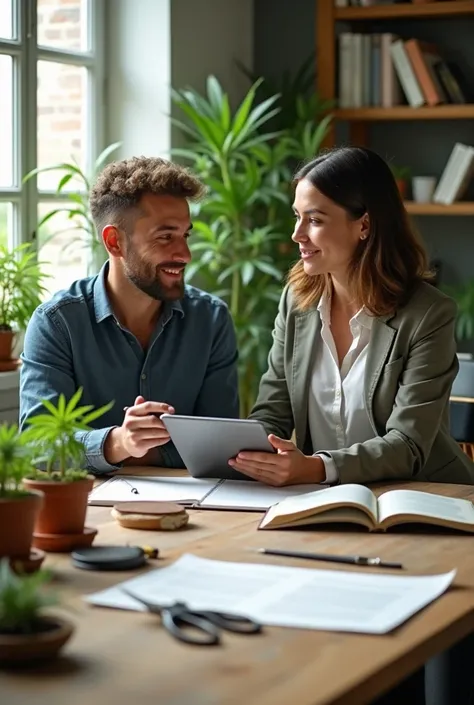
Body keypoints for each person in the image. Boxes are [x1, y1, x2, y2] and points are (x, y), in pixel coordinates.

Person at [229, 146, 474, 487]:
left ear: (365, 224)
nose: (297, 234)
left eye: (314, 220)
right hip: (324, 496)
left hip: (423, 495)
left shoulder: (428, 314)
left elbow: (408, 445)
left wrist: (315, 468)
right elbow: (273, 410)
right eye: (296, 216)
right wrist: (252, 454)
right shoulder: (296, 302)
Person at [19, 156, 239, 473]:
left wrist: (117, 452)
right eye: (165, 237)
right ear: (114, 241)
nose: (185, 254)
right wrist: (118, 443)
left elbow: (222, 447)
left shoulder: (211, 320)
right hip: (87, 511)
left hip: (196, 511)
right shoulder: (58, 323)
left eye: (185, 235)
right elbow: (36, 446)